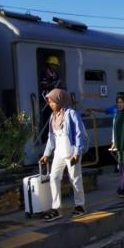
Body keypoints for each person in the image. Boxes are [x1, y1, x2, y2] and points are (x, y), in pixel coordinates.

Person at [39, 89, 87, 221]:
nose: (50, 104)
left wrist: (77, 152)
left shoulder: (71, 114)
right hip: (59, 153)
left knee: (75, 179)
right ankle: (56, 208)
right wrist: (46, 153)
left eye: (52, 101)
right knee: (54, 177)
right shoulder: (53, 117)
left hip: (71, 153)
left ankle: (80, 206)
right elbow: (51, 137)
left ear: (60, 100)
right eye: (49, 102)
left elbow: (79, 134)